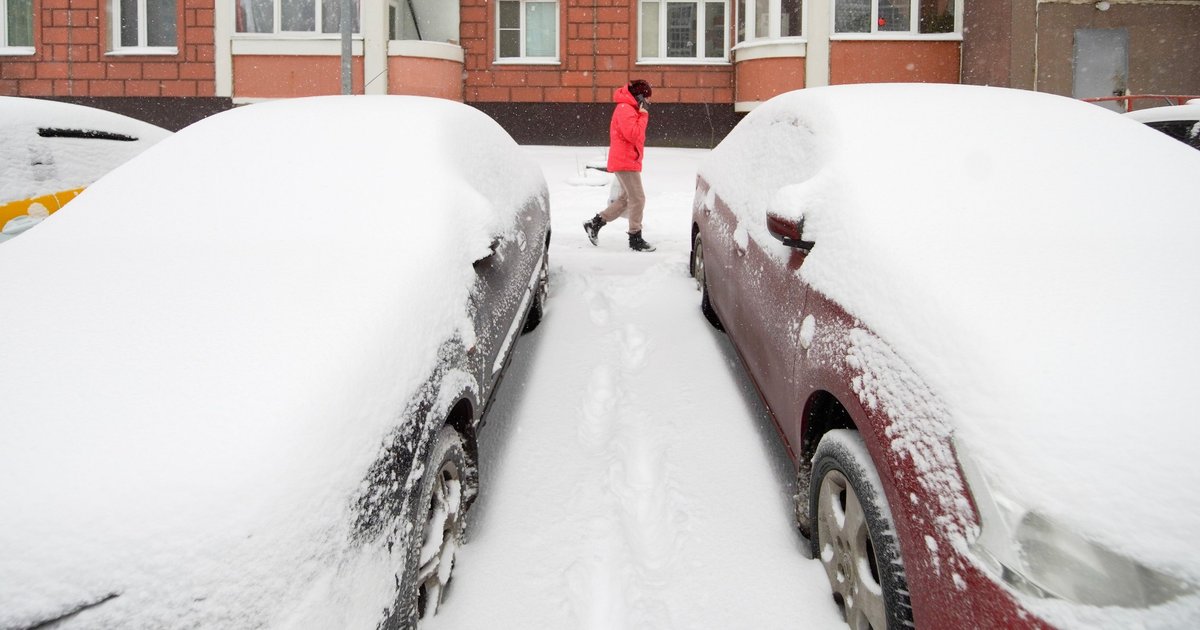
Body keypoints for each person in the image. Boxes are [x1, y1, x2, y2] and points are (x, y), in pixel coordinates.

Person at [583, 79, 655, 252]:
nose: (649, 102)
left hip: (627, 160)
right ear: (639, 97)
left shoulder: (629, 109)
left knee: (625, 200)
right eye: (647, 98)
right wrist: (644, 114)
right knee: (638, 198)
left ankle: (594, 223)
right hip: (625, 162)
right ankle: (635, 238)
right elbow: (633, 134)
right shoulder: (625, 109)